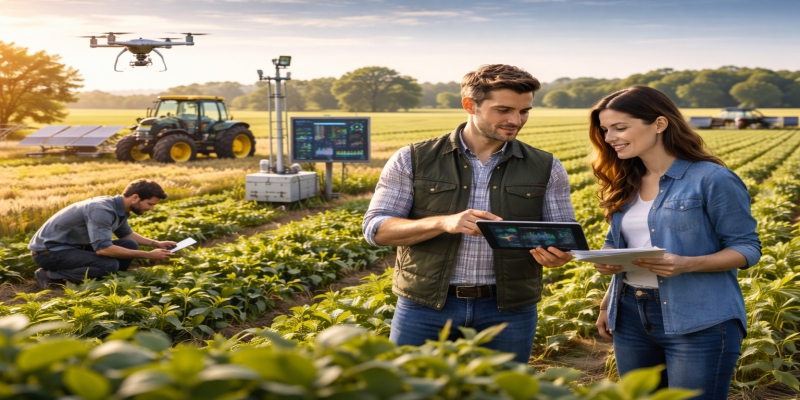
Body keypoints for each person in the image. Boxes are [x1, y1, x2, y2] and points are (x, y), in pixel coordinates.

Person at [362, 64, 576, 363]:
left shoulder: (546, 166)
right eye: (503, 110)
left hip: (509, 309)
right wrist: (443, 222)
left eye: (524, 111)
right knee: (410, 390)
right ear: (469, 105)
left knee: (503, 393)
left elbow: (564, 235)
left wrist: (559, 255)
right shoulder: (413, 158)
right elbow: (376, 229)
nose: (515, 120)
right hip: (425, 306)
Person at [589, 86, 761, 399]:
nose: (610, 137)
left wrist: (688, 264)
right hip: (630, 314)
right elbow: (617, 244)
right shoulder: (625, 182)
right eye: (605, 129)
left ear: (659, 123)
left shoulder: (712, 179)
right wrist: (607, 294)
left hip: (700, 318)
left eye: (620, 127)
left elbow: (747, 248)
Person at [29, 179, 177, 289]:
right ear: (135, 197)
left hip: (73, 248)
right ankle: (49, 275)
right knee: (109, 264)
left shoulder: (119, 208)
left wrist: (155, 244)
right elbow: (103, 249)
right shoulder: (101, 210)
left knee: (129, 244)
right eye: (150, 204)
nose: (151, 209)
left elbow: (127, 234)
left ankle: (101, 276)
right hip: (49, 252)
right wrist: (148, 255)